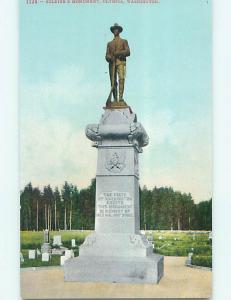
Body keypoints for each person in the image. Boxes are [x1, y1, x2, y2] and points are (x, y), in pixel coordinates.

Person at [105, 23, 130, 103]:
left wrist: (118, 53)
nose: (115, 31)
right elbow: (106, 55)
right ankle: (115, 99)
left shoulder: (124, 41)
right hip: (112, 64)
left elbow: (128, 51)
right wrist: (109, 58)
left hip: (120, 62)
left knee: (121, 78)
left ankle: (120, 98)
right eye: (114, 29)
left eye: (116, 29)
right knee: (113, 82)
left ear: (119, 31)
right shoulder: (109, 43)